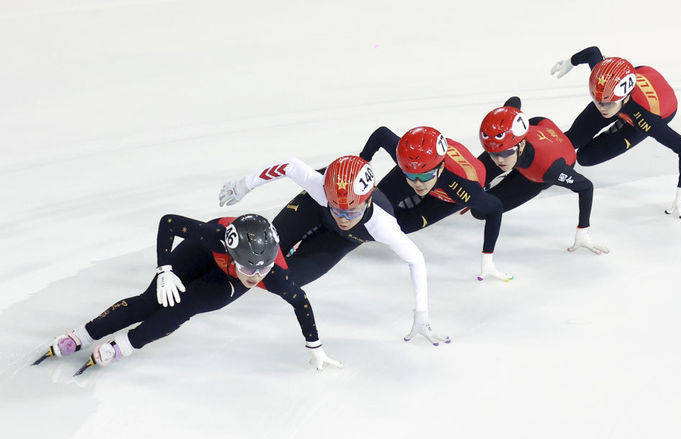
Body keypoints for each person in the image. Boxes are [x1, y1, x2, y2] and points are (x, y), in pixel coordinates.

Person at [33, 213, 343, 374]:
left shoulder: (275, 276)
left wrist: (315, 346)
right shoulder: (216, 237)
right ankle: (83, 335)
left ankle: (124, 346)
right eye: (250, 271)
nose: (256, 278)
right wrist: (164, 269)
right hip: (203, 253)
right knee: (150, 301)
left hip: (224, 279)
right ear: (235, 257)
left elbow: (301, 302)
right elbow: (168, 223)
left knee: (183, 308)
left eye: (261, 272)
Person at [218, 155, 449, 345]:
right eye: (337, 209)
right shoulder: (319, 187)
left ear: (368, 201)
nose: (343, 218)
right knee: (262, 254)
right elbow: (290, 166)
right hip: (313, 208)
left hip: (342, 239)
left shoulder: (383, 225)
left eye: (351, 212)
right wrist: (244, 185)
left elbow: (416, 260)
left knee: (286, 278)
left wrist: (422, 315)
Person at [551, 46, 681, 219]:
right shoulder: (605, 83)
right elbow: (593, 53)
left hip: (654, 110)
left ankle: (620, 123)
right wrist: (571, 62)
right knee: (570, 141)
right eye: (596, 101)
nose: (601, 108)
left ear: (625, 97)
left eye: (605, 104)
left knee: (586, 157)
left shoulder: (645, 118)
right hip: (632, 83)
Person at [358, 126, 512, 281]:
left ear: (441, 168)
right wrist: (363, 164)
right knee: (371, 207)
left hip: (451, 191)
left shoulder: (463, 189)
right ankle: (416, 182)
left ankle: (414, 197)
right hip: (427, 165)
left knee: (401, 226)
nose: (418, 183)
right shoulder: (409, 159)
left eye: (424, 177)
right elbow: (382, 133)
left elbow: (495, 208)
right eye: (410, 176)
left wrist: (487, 260)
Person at [466, 97, 608, 254]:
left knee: (479, 211)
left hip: (537, 174)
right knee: (471, 178)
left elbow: (586, 187)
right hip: (540, 125)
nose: (499, 160)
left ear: (521, 144)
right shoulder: (506, 140)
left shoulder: (550, 170)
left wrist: (583, 230)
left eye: (505, 153)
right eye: (493, 154)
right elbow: (513, 103)